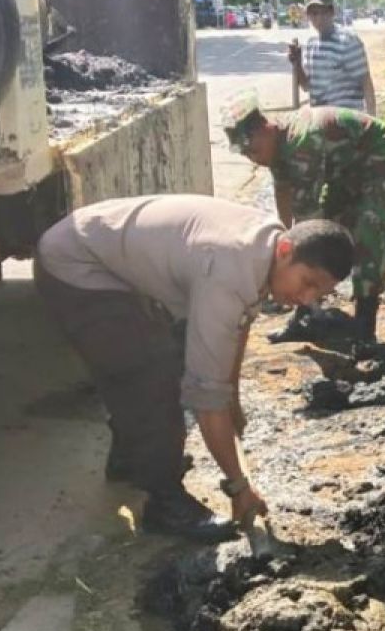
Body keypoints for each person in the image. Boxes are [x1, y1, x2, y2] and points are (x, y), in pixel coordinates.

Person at [36, 195, 354, 541]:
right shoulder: (229, 266)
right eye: (307, 282)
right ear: (286, 250)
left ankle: (130, 458)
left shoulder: (266, 247)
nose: (308, 299)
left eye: (320, 292)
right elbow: (206, 396)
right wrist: (239, 487)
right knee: (153, 374)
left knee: (148, 358)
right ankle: (164, 504)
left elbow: (238, 324)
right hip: (75, 265)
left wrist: (232, 398)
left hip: (102, 257)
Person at [224, 103, 385, 347]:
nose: (254, 159)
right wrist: (281, 239)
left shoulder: (301, 145)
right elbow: (283, 194)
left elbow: (309, 225)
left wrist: (290, 267)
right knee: (330, 232)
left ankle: (364, 328)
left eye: (254, 151)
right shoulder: (278, 145)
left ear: (265, 129)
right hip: (344, 166)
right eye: (247, 155)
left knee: (366, 232)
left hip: (378, 154)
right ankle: (305, 319)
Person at [287, 0, 377, 114]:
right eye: (314, 13)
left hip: (347, 122)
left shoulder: (348, 41)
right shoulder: (311, 44)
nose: (319, 19)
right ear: (307, 15)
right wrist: (297, 63)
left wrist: (371, 123)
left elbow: (366, 83)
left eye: (324, 12)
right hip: (321, 122)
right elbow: (307, 86)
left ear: (332, 12)